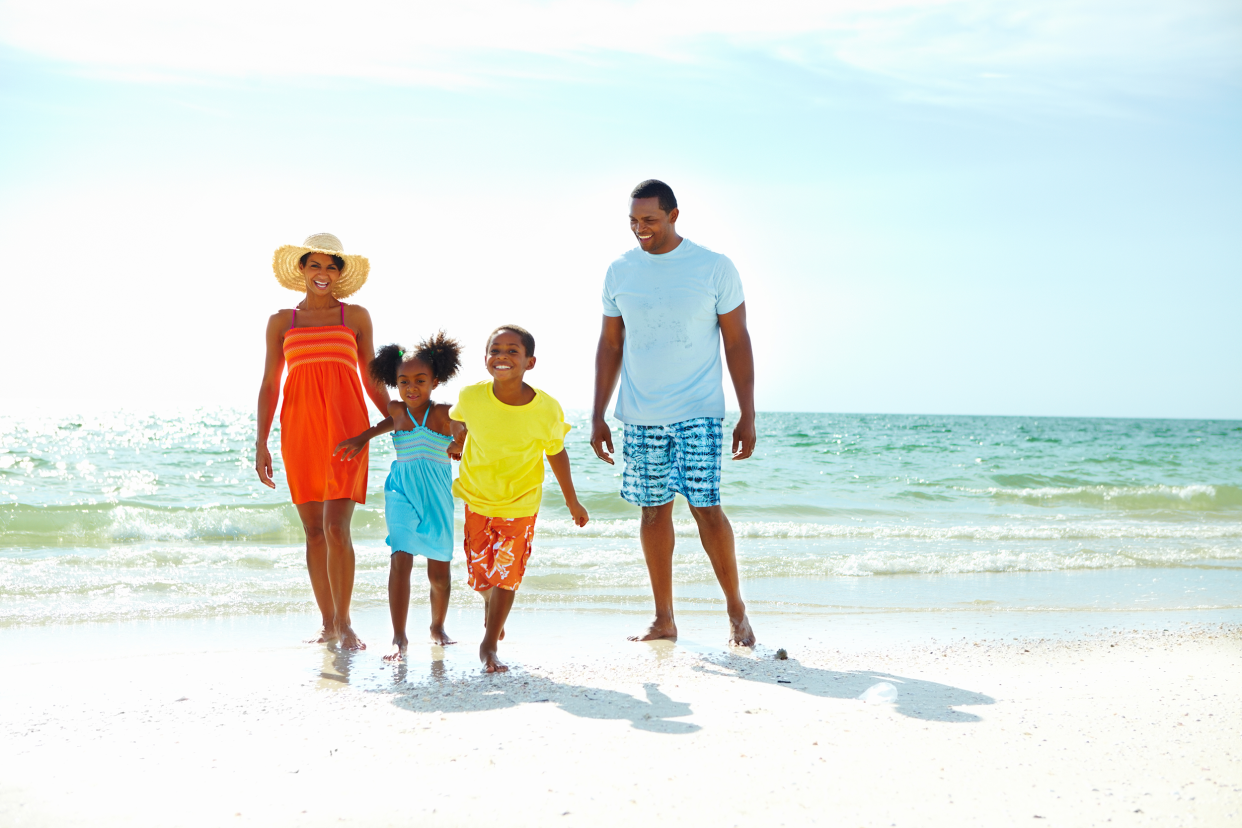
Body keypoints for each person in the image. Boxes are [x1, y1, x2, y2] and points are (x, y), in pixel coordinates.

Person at [590, 180, 758, 647]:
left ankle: (736, 611)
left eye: (650, 220)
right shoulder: (620, 271)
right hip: (640, 413)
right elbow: (610, 344)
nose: (640, 229)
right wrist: (598, 414)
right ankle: (664, 618)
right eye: (633, 221)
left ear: (674, 215)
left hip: (699, 409)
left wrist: (747, 413)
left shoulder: (713, 267)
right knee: (652, 513)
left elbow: (737, 341)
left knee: (706, 508)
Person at [255, 233, 392, 651]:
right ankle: (328, 623)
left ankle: (346, 623)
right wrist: (261, 442)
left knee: (336, 528)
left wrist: (395, 416)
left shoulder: (356, 317)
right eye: (315, 265)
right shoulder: (282, 322)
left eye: (332, 267)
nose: (323, 274)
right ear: (301, 269)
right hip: (299, 430)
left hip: (347, 430)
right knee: (314, 533)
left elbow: (372, 376)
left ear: (340, 274)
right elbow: (269, 383)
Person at [447, 325, 589, 673]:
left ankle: (489, 644)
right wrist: (459, 441)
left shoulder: (546, 409)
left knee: (507, 576)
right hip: (476, 497)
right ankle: (490, 606)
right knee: (481, 574)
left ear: (530, 362)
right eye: (496, 350)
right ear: (485, 359)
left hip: (520, 504)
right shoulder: (471, 396)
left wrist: (573, 501)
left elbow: (556, 453)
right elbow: (458, 421)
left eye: (513, 351)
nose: (503, 357)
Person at [335, 333, 463, 661]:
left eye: (420, 380)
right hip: (402, 492)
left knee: (439, 574)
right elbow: (385, 423)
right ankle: (399, 638)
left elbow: (464, 428)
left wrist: (459, 444)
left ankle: (437, 626)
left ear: (436, 380)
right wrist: (361, 438)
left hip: (436, 498)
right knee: (400, 559)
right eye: (403, 381)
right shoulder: (397, 409)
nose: (411, 388)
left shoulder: (442, 413)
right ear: (395, 382)